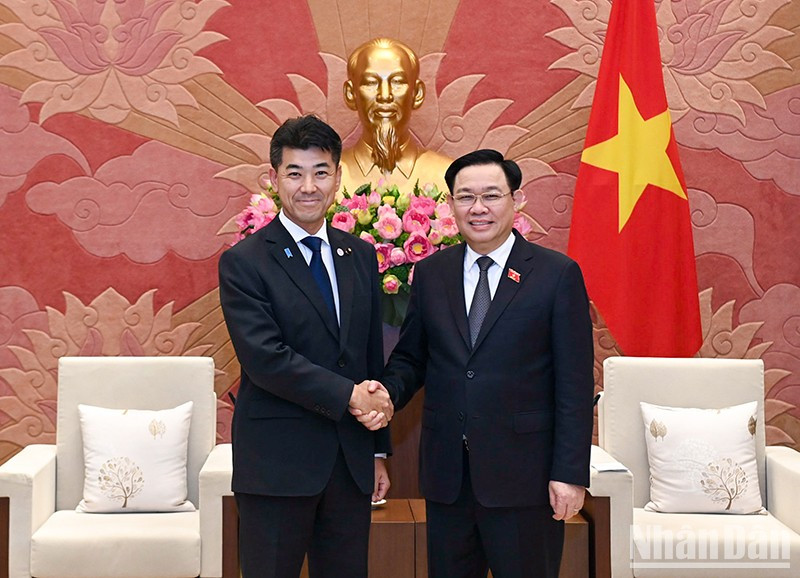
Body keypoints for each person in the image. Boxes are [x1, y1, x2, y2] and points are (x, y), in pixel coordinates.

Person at [361, 149, 594, 577]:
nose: (479, 208)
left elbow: (575, 386)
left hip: (526, 478)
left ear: (515, 200)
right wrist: (386, 394)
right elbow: (413, 357)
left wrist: (569, 473)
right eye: (466, 197)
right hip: (449, 479)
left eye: (491, 195)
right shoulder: (432, 273)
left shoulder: (556, 274)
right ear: (450, 205)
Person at [218, 115, 394, 578]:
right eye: (295, 173)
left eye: (321, 172)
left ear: (337, 177)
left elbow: (369, 356)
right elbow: (265, 358)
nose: (308, 186)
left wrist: (377, 450)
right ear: (273, 178)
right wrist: (349, 395)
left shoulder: (358, 255)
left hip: (349, 463)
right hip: (277, 464)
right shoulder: (245, 261)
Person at [341, 37, 452, 194]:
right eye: (371, 83)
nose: (385, 96)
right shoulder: (328, 180)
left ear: (417, 93)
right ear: (351, 94)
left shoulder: (447, 176)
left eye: (397, 82)